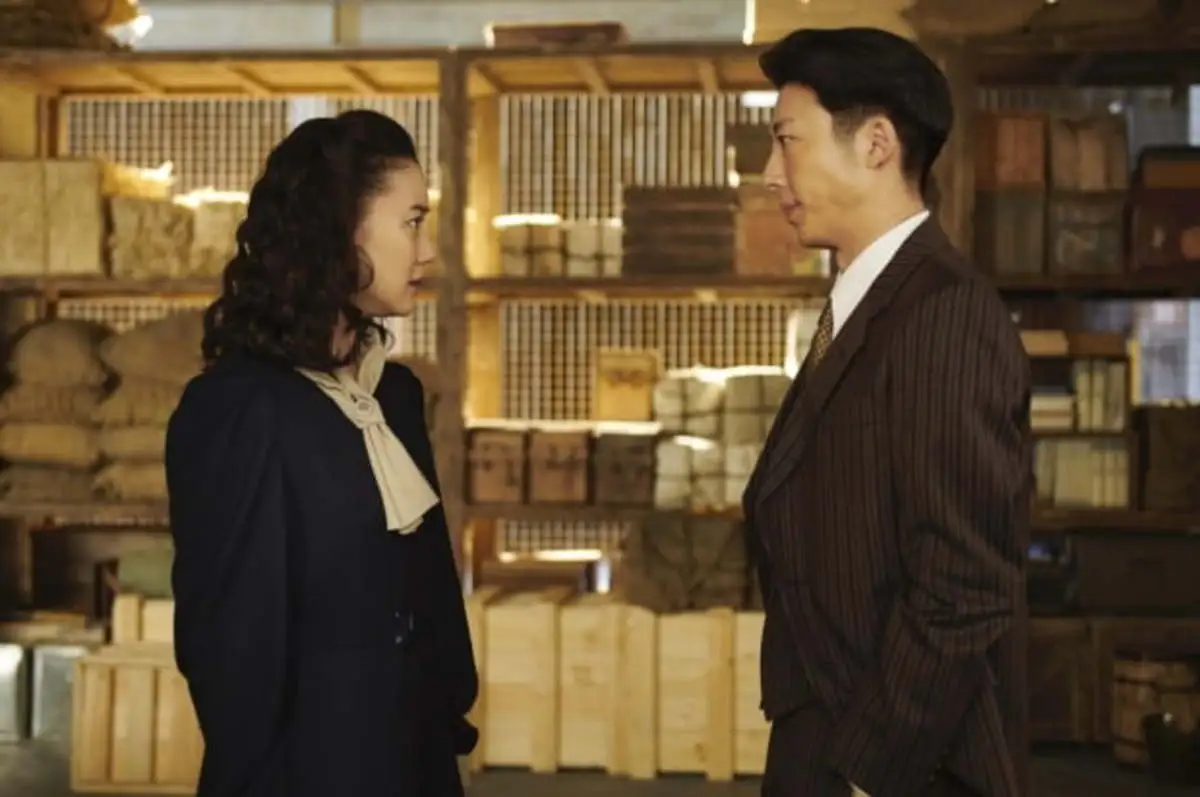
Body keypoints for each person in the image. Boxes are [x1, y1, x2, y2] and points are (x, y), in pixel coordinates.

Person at [743, 28, 1032, 797]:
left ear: (876, 144)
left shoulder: (943, 311)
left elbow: (963, 582)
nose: (770, 174)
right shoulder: (866, 299)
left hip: (897, 759)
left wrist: (869, 771)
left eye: (787, 141)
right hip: (827, 731)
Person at [165, 109, 477, 797]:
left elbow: (427, 587)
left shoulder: (393, 393)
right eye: (413, 222)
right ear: (341, 231)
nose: (427, 251)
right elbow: (231, 654)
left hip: (416, 763)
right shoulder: (240, 410)